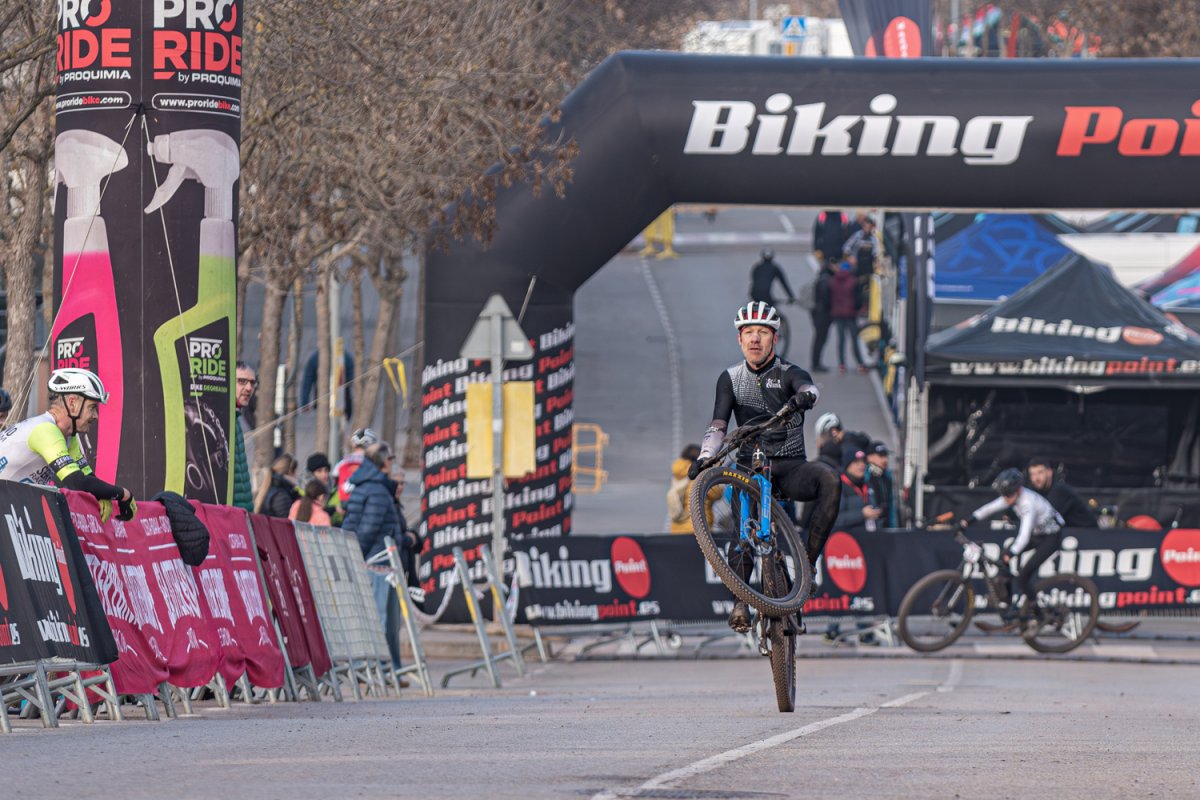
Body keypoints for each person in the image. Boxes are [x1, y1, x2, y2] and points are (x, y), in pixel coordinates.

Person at [689, 302, 841, 633]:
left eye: (762, 333)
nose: (754, 339)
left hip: (789, 468)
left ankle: (807, 567)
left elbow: (808, 386)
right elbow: (718, 424)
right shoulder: (730, 379)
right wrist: (705, 457)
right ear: (739, 340)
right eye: (748, 333)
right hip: (748, 467)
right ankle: (740, 603)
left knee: (829, 480)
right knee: (743, 531)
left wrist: (806, 396)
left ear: (774, 338)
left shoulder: (788, 372)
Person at [0, 368, 135, 521]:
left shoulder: (69, 436)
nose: (95, 416)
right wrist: (124, 494)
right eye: (92, 407)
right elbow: (76, 482)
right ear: (72, 403)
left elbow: (87, 476)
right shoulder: (45, 430)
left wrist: (102, 495)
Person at [962, 468, 1064, 629]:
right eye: (1004, 495)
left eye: (1008, 496)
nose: (1005, 499)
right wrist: (967, 521)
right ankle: (1007, 606)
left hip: (1051, 538)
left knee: (1023, 576)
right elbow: (989, 508)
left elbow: (1023, 536)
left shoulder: (1027, 503)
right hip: (1037, 534)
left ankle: (1039, 614)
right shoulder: (1011, 495)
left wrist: (1010, 554)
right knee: (1004, 560)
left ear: (1017, 491)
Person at [341, 442, 408, 684]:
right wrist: (354, 554)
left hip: (374, 559)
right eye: (390, 457)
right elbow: (368, 527)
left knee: (383, 619)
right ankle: (377, 668)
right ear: (383, 462)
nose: (392, 461)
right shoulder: (378, 490)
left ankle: (382, 668)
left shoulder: (369, 486)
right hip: (377, 562)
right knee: (380, 619)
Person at [1027, 457, 1097, 528]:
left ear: (1049, 472)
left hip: (1087, 532)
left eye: (1040, 472)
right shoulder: (1038, 490)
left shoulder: (1059, 490)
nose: (1036, 478)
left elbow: (1047, 518)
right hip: (1070, 532)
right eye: (1032, 474)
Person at [829, 260, 866, 374]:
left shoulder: (833, 281)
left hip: (838, 314)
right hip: (850, 314)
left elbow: (829, 297)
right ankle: (860, 364)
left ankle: (841, 364)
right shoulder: (854, 281)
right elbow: (858, 299)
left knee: (841, 340)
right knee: (854, 340)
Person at [833, 450, 882, 536]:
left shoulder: (868, 484)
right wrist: (862, 514)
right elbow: (836, 519)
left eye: (863, 461)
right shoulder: (839, 487)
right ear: (847, 466)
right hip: (851, 542)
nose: (862, 465)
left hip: (871, 539)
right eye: (856, 462)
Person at [232, 361, 257, 512]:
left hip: (240, 516)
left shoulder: (235, 419)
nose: (248, 388)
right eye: (242, 381)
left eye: (252, 383)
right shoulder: (224, 420)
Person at [334, 427, 380, 505]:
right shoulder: (373, 465)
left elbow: (335, 480)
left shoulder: (341, 463)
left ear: (353, 444)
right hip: (366, 503)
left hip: (344, 503)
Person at [258, 453, 301, 518]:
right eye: (295, 472)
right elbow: (287, 522)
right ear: (289, 473)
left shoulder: (271, 487)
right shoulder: (281, 495)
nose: (297, 476)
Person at [866, 441, 897, 529]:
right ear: (869, 457)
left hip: (885, 525)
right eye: (881, 456)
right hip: (870, 527)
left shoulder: (887, 476)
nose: (885, 460)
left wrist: (893, 527)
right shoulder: (865, 476)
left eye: (886, 456)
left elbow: (891, 505)